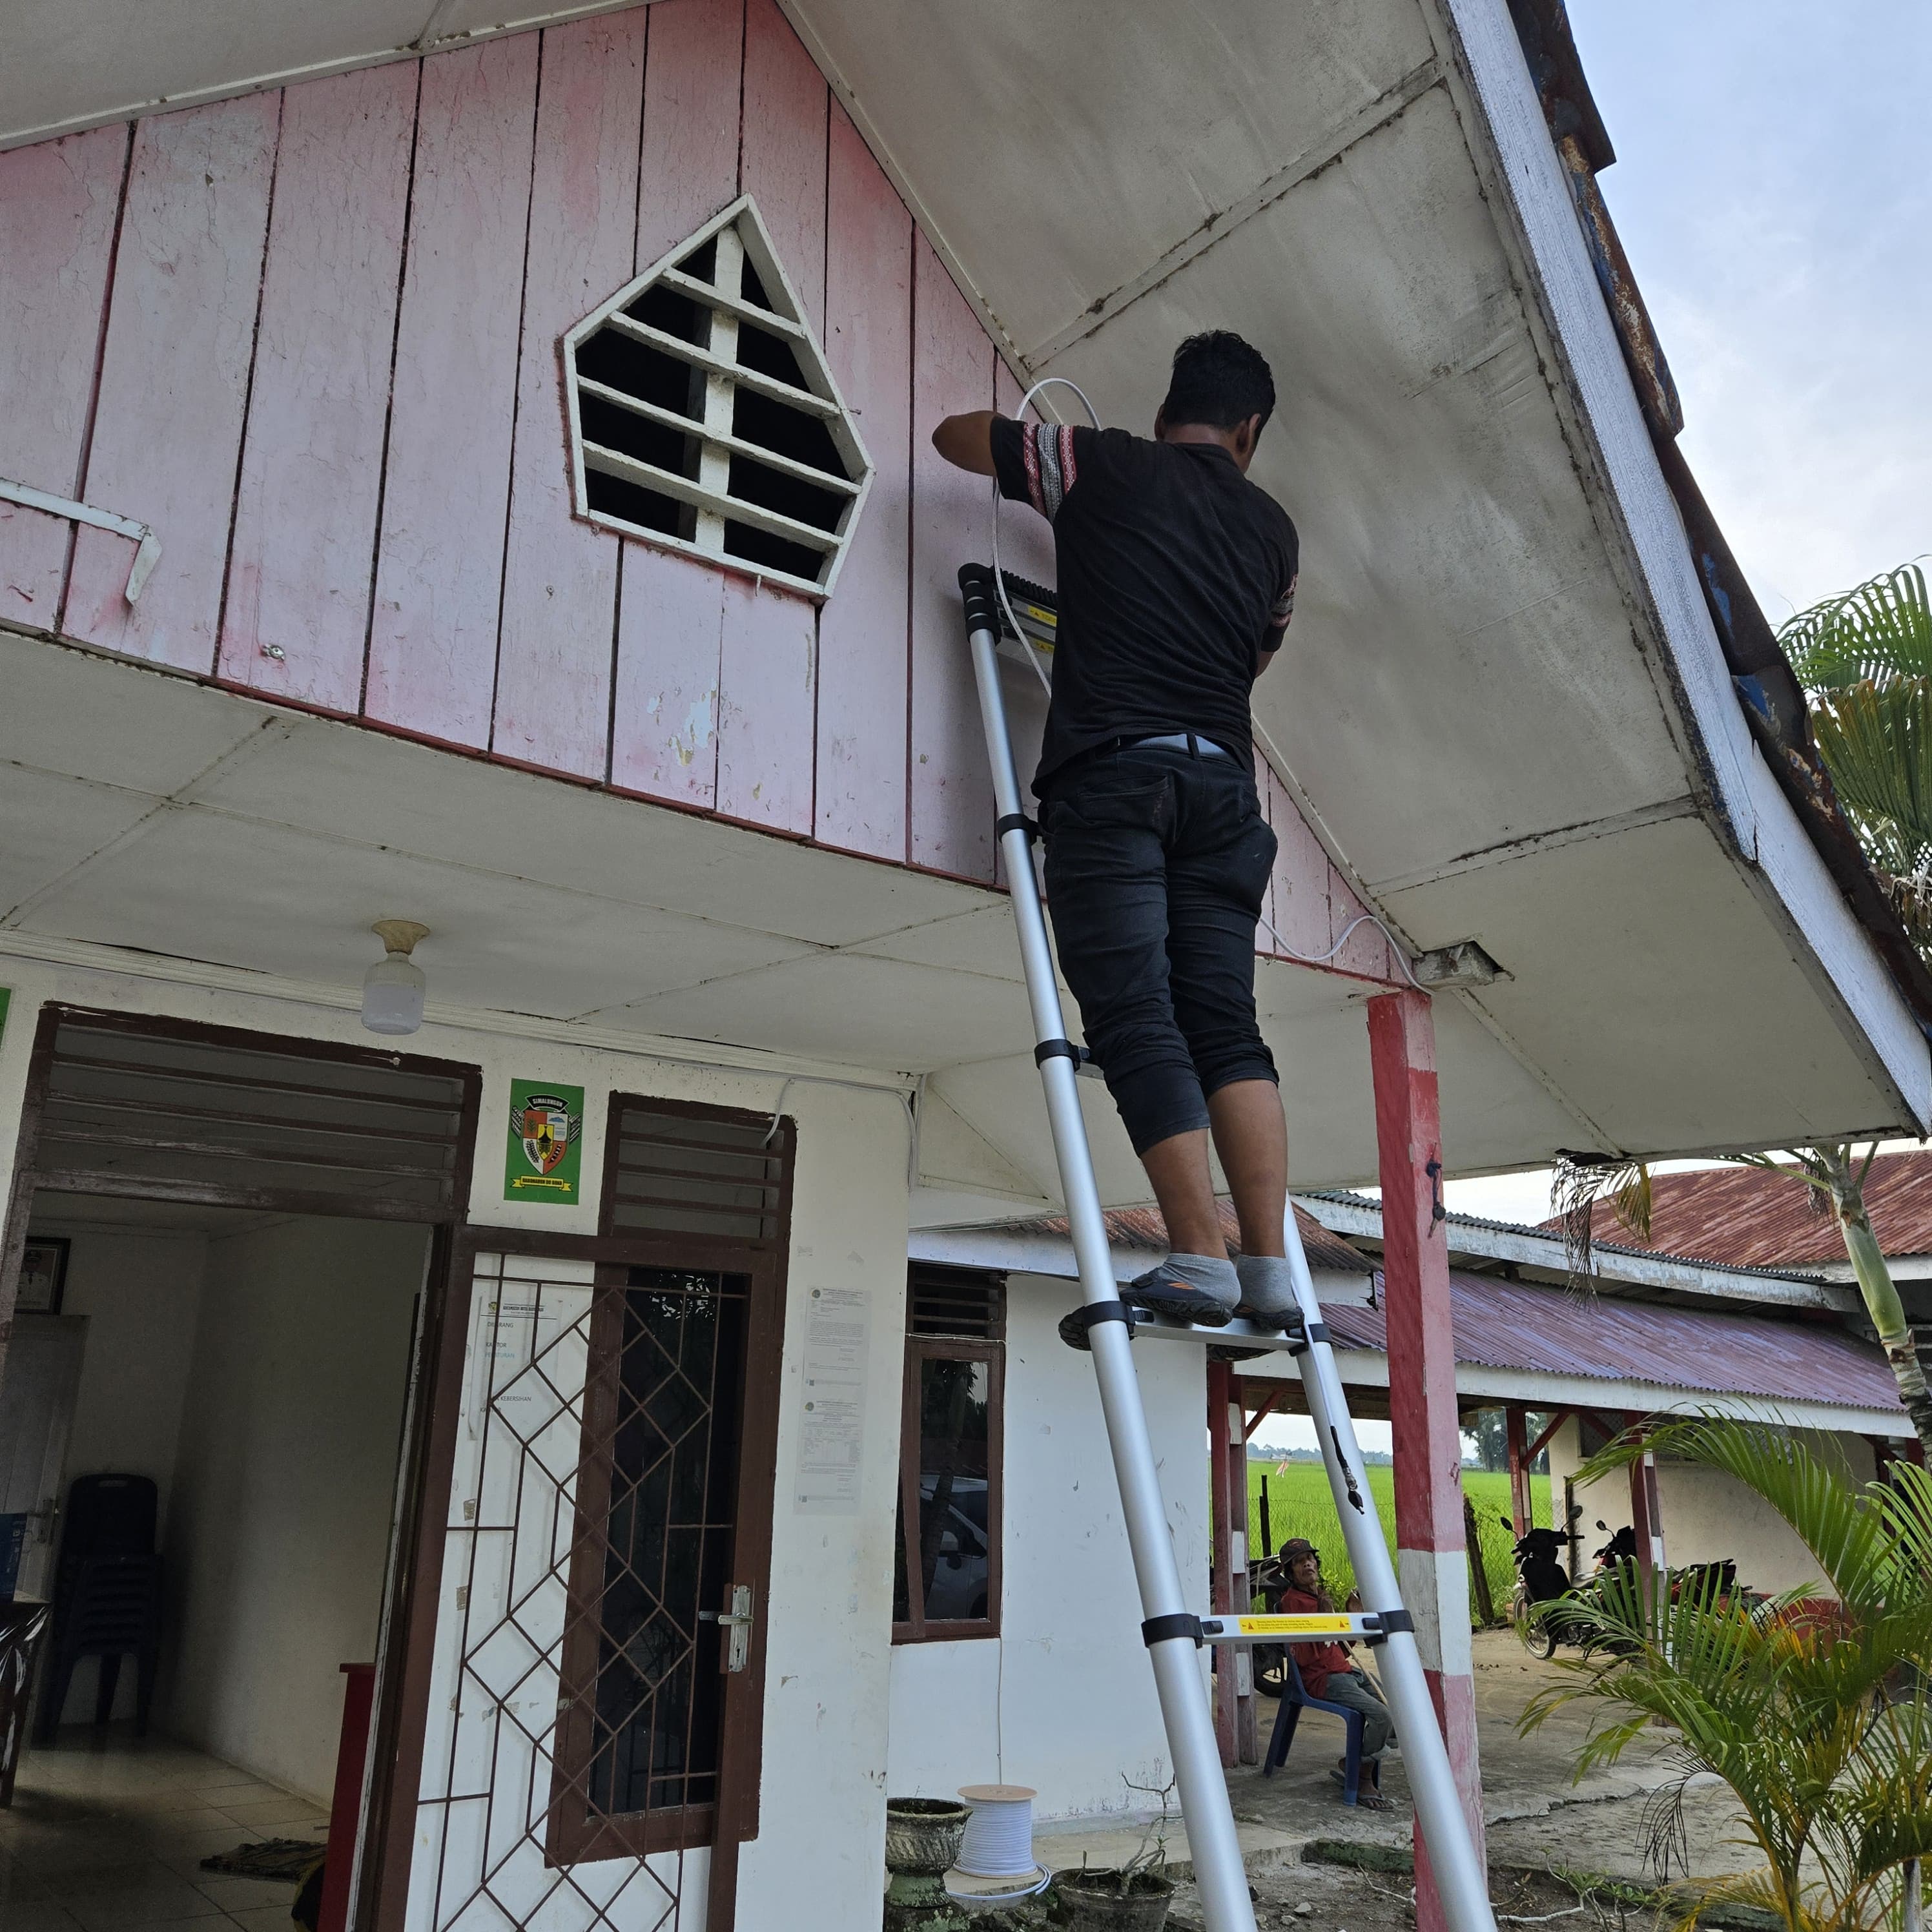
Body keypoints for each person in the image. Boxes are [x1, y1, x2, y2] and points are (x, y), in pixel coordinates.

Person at [931, 331, 1302, 1333]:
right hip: (1225, 791)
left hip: (1117, 779)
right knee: (1226, 1025)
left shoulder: (1101, 463)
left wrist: (1065, 464)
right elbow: (1255, 659)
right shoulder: (1275, 533)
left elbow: (953, 437)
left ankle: (1198, 1259)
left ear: (1164, 409)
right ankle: (1269, 1271)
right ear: (1249, 431)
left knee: (1135, 1012)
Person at [1273, 1538, 1393, 1809]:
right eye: (1298, 1562)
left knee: (1397, 1708)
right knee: (1382, 1715)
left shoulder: (1319, 1598)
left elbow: (1340, 1649)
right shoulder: (1293, 1603)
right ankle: (1362, 1776)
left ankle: (1353, 1764)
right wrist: (1322, 1619)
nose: (1307, 1563)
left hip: (1345, 1670)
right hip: (1323, 1679)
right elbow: (1304, 1658)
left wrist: (1350, 1619)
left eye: (1310, 1558)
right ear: (1290, 1573)